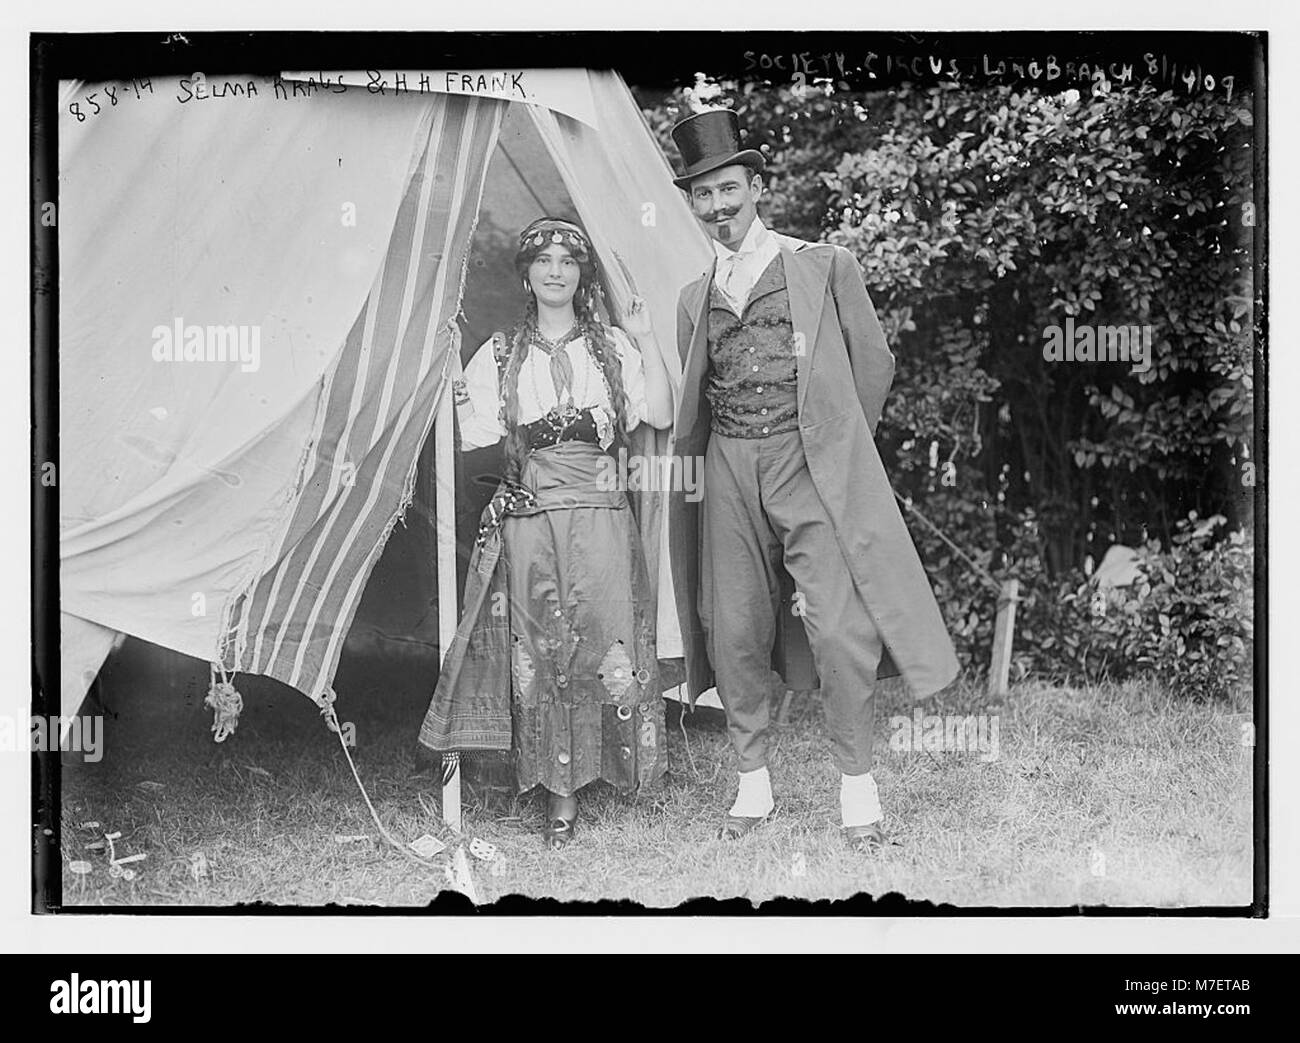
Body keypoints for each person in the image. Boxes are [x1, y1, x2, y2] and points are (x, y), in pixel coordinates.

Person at [664, 109, 961, 851]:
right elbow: (697, 393)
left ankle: (857, 787)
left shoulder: (824, 265)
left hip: (808, 465)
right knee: (732, 627)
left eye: (728, 190)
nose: (717, 208)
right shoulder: (690, 298)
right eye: (702, 197)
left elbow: (873, 365)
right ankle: (752, 786)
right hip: (729, 469)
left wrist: (830, 445)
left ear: (757, 186)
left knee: (839, 627)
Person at [419, 217, 672, 850]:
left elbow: (662, 413)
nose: (556, 271)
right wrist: (449, 370)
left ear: (582, 275)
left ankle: (616, 769)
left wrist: (645, 336)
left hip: (604, 514)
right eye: (544, 261)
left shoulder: (612, 346)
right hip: (532, 517)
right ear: (526, 275)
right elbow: (471, 431)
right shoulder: (502, 353)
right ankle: (557, 791)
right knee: (542, 647)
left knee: (607, 636)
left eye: (568, 261)